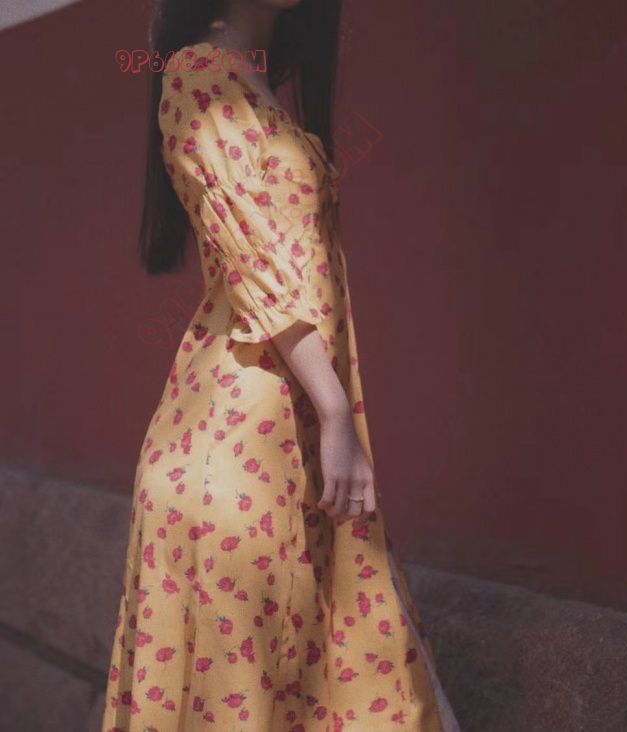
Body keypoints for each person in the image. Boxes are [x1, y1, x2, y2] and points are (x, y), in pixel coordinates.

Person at [101, 1, 460, 730]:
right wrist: (335, 412)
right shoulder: (199, 74)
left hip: (287, 439)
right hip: (239, 449)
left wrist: (331, 418)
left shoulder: (253, 81)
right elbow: (257, 259)